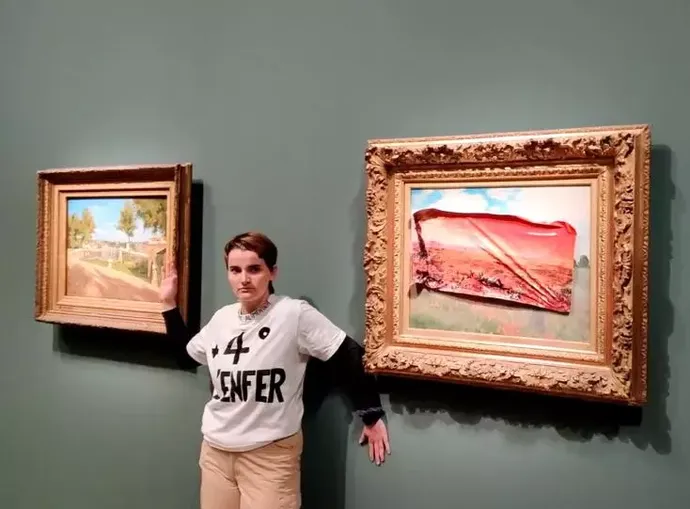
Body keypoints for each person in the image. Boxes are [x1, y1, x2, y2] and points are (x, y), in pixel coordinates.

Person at [158, 231, 390, 509]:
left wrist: (371, 415)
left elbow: (348, 354)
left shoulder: (293, 314)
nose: (244, 279)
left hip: (269, 456)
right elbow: (186, 357)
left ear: (272, 272)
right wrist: (168, 304)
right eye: (235, 270)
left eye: (254, 269)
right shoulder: (222, 319)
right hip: (215, 452)